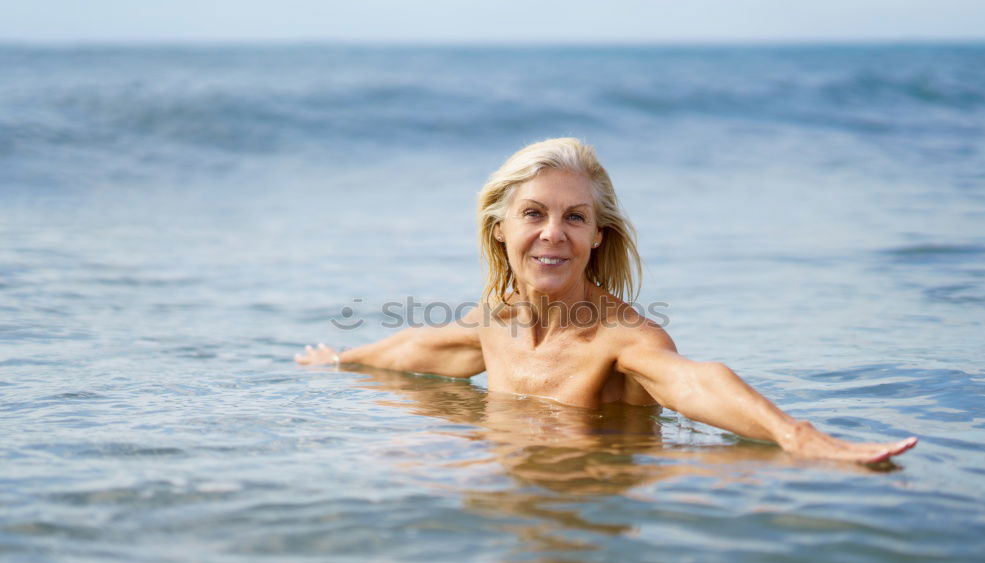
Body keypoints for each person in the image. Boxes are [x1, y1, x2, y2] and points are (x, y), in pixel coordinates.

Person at [296, 138, 917, 464]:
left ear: (599, 235)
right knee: (401, 459)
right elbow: (415, 347)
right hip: (521, 497)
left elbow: (696, 384)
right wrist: (342, 360)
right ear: (500, 229)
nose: (552, 234)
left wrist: (795, 437)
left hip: (599, 494)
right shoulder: (494, 325)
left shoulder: (624, 340)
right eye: (533, 214)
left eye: (575, 217)